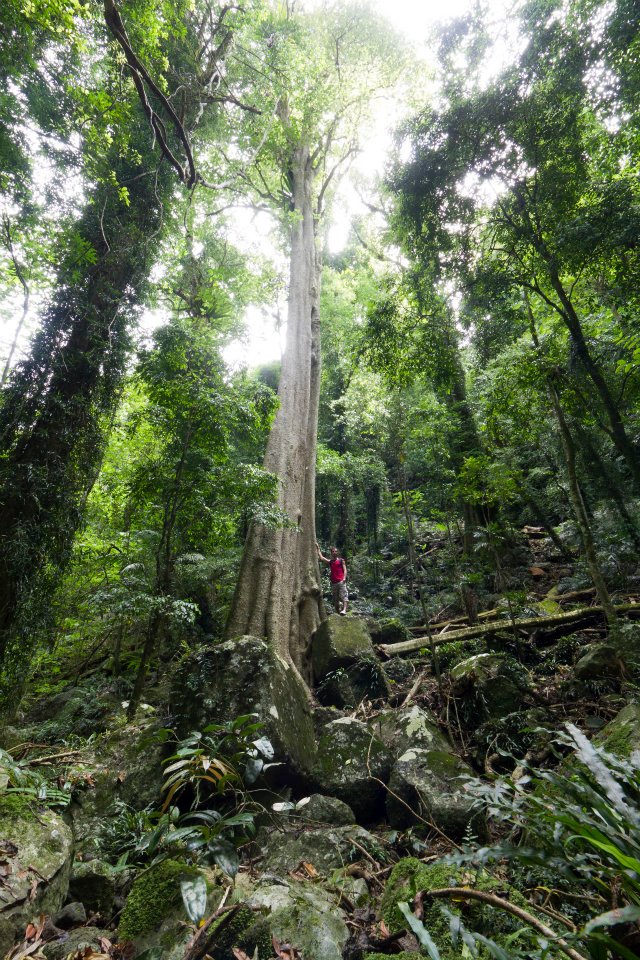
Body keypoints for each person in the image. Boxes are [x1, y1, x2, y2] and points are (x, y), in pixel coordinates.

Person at [316, 542, 348, 615]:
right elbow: (322, 558)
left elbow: (345, 570)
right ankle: (338, 613)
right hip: (334, 583)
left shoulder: (341, 560)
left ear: (337, 552)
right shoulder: (331, 562)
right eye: (333, 551)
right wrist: (317, 548)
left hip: (341, 582)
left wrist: (344, 578)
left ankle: (344, 610)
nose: (334, 552)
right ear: (331, 553)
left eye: (336, 551)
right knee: (335, 601)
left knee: (344, 596)